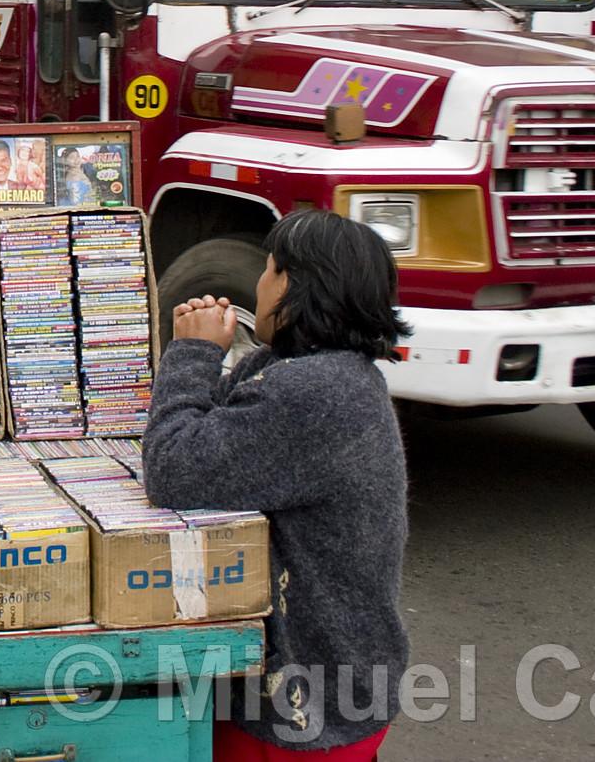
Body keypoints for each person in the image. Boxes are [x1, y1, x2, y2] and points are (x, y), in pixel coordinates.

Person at [142, 211, 410, 760]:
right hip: (335, 678)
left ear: (292, 285)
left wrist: (192, 353)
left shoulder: (316, 392)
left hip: (306, 700)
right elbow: (223, 426)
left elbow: (173, 468)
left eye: (268, 270)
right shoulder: (322, 371)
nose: (258, 286)